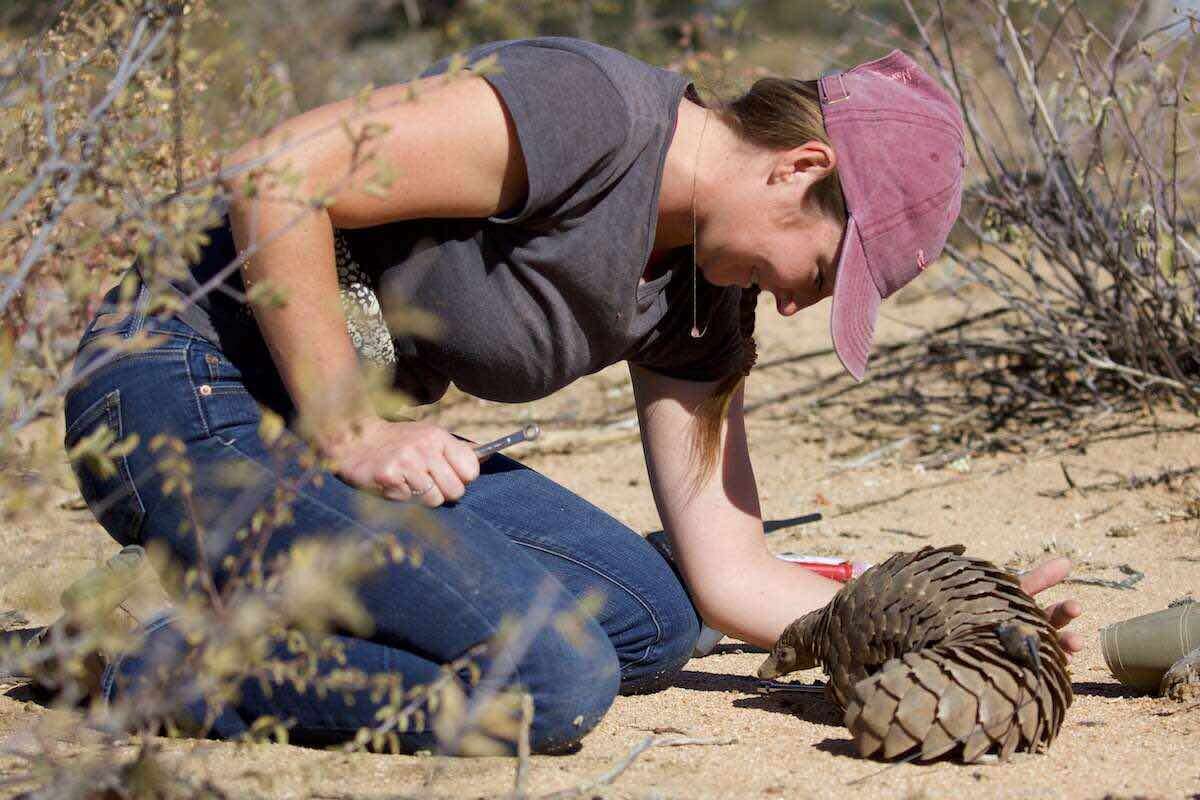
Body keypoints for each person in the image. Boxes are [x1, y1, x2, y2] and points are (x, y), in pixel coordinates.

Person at [60, 36, 1084, 754]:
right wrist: (349, 421)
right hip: (176, 387)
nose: (801, 302)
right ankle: (157, 664)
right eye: (821, 272)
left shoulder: (701, 299)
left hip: (311, 446)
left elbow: (732, 573)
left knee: (654, 614)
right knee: (557, 677)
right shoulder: (592, 112)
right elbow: (278, 172)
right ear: (800, 168)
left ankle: (297, 598)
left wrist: (947, 622)